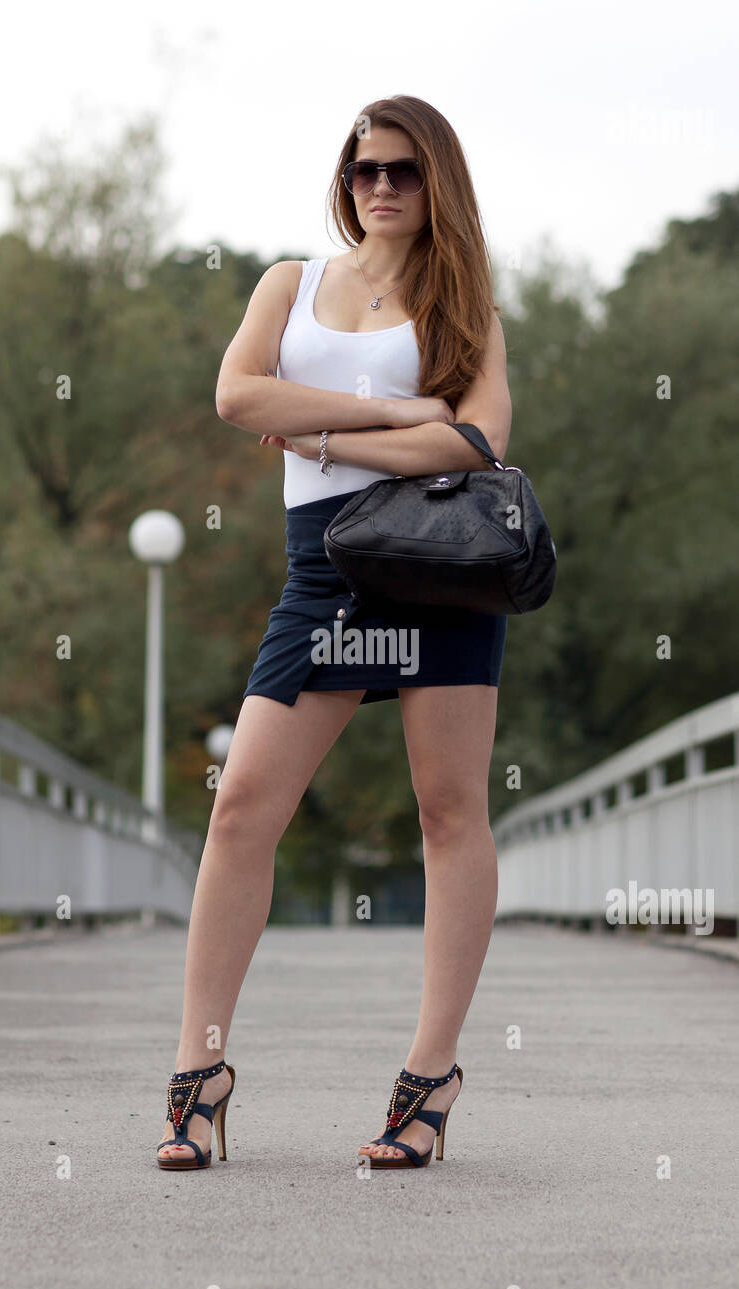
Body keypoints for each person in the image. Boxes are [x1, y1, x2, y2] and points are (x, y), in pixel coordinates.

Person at [156, 94, 512, 1172]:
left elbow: (479, 443)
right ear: (344, 180)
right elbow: (233, 395)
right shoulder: (290, 284)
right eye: (363, 171)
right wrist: (405, 417)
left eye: (402, 170)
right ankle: (200, 1070)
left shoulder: (468, 308)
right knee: (243, 809)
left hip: (443, 571)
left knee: (448, 810)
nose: (381, 189)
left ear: (435, 179)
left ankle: (429, 1079)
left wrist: (310, 423)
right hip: (324, 574)